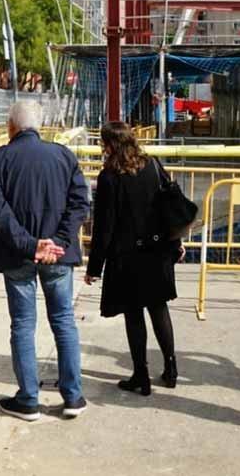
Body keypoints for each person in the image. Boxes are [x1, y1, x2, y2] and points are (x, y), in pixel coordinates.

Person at [0, 101, 90, 422]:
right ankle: (73, 396)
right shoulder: (63, 156)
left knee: (23, 324)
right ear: (41, 125)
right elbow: (80, 203)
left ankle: (28, 399)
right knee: (63, 322)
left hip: (19, 254)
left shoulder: (0, 158)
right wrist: (57, 242)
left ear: (10, 125)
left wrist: (30, 245)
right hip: (58, 254)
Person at [84, 122, 181, 396]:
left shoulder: (109, 177)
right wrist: (176, 242)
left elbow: (105, 227)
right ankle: (171, 368)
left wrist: (94, 267)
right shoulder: (152, 165)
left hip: (125, 257)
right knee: (159, 308)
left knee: (134, 314)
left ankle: (141, 374)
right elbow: (168, 207)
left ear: (111, 145)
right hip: (157, 251)